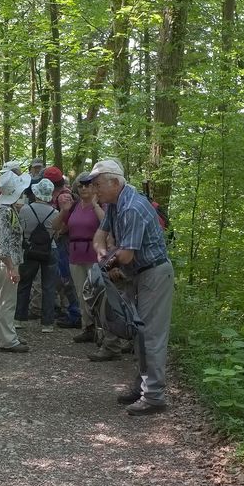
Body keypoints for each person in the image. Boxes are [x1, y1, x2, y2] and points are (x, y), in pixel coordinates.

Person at [83, 159, 174, 416]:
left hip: (153, 275)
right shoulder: (114, 203)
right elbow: (100, 236)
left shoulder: (132, 207)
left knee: (151, 336)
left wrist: (109, 262)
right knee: (139, 334)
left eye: (98, 184)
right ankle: (143, 387)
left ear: (114, 182)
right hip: (137, 276)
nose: (95, 190)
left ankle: (154, 396)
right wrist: (104, 258)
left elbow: (126, 256)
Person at [55, 172, 108, 346]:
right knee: (81, 293)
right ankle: (88, 328)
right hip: (75, 254)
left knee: (97, 294)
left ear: (94, 187)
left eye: (88, 185)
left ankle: (102, 330)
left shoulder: (101, 205)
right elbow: (55, 227)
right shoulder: (74, 206)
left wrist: (95, 205)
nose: (84, 188)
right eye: (81, 185)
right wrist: (64, 210)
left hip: (94, 255)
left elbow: (107, 224)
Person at [0, 169, 32, 353]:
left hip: (8, 262)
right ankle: (7, 340)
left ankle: (9, 335)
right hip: (6, 263)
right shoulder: (4, 213)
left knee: (8, 301)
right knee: (6, 303)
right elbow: (2, 243)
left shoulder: (6, 210)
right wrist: (11, 267)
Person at [15, 178, 60, 333]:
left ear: (36, 193)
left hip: (30, 249)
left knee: (24, 283)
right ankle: (47, 323)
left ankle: (19, 319)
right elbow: (57, 233)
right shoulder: (56, 213)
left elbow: (20, 229)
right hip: (50, 250)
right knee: (48, 287)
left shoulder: (25, 209)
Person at [43, 166, 81, 329]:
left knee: (67, 278)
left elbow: (67, 220)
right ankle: (71, 310)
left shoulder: (62, 197)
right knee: (64, 277)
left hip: (64, 241)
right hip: (68, 241)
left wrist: (58, 232)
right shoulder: (65, 193)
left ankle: (75, 314)